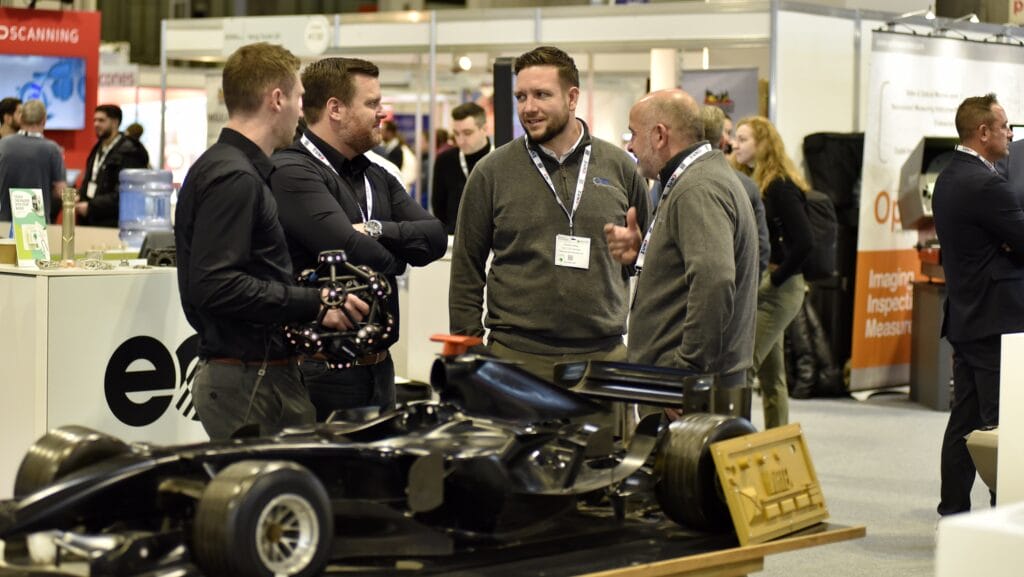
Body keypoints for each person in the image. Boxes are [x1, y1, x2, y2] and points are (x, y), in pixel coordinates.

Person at [175, 42, 366, 441]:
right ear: (276, 99)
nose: (301, 109)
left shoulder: (228, 168)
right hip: (250, 380)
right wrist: (316, 301)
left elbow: (242, 275)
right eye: (298, 97)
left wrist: (308, 307)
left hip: (256, 373)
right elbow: (216, 284)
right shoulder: (235, 177)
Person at [450, 45, 650, 381]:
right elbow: (467, 269)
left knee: (605, 438)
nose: (528, 108)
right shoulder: (492, 172)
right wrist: (470, 350)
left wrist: (635, 255)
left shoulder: (620, 169)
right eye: (521, 97)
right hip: (515, 358)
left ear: (572, 98)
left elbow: (648, 257)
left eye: (542, 95)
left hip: (602, 359)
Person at [271, 57, 446, 419]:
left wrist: (378, 229)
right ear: (335, 109)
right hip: (321, 371)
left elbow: (434, 237)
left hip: (379, 368)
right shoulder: (292, 169)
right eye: (372, 104)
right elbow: (350, 249)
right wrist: (396, 258)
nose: (381, 113)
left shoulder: (377, 175)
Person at [605, 89, 757, 381]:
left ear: (660, 136)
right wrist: (644, 257)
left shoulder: (697, 188)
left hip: (689, 383)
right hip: (694, 377)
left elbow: (714, 280)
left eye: (634, 134)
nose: (631, 146)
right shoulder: (700, 178)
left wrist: (688, 370)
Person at [933, 93, 1024, 516]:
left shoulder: (950, 176)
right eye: (1004, 126)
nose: (1011, 133)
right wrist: (1009, 245)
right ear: (983, 132)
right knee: (1002, 426)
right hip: (995, 324)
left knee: (964, 424)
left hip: (967, 319)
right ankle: (1002, 515)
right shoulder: (988, 184)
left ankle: (952, 513)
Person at [732, 116, 813, 429]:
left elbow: (805, 242)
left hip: (780, 287)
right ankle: (777, 445)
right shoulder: (757, 182)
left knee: (743, 368)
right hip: (768, 283)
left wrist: (775, 280)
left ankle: (732, 442)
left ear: (762, 144)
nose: (735, 145)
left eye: (743, 139)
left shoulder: (780, 185)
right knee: (771, 377)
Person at [702, 105, 770, 276]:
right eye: (731, 135)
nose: (734, 144)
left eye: (742, 139)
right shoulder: (744, 183)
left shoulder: (751, 184)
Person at [77, 104, 150, 227]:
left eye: (101, 120)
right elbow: (90, 180)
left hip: (114, 225)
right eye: (94, 120)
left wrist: (92, 206)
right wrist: (80, 197)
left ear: (115, 122)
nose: (96, 124)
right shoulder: (97, 148)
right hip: (92, 220)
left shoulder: (129, 152)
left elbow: (125, 193)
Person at [432, 102, 493, 234]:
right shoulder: (445, 161)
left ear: (484, 129)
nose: (460, 140)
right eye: (456, 133)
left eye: (467, 133)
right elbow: (439, 208)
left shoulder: (500, 159)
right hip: (454, 239)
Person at [0, 100, 65, 223]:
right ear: (44, 120)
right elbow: (60, 191)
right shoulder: (52, 149)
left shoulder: (3, 144)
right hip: (36, 224)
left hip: (4, 221)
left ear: (21, 118)